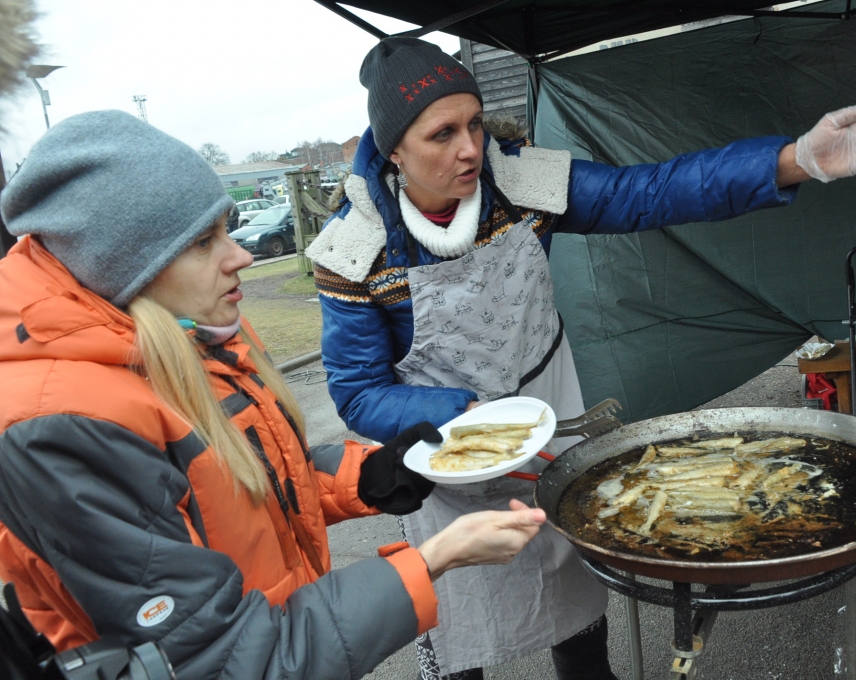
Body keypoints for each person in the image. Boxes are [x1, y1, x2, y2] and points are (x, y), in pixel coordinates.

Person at [308, 37, 856, 680]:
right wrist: (466, 414)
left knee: (570, 585)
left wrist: (791, 161)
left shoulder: (521, 183)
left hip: (549, 413)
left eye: (475, 123)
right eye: (442, 134)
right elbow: (359, 391)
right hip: (445, 447)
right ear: (394, 148)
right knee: (459, 613)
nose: (470, 148)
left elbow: (648, 192)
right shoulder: (356, 251)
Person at [0, 110, 547, 680]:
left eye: (227, 230)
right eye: (202, 243)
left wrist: (377, 473)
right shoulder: (62, 424)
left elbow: (242, 480)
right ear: (128, 267)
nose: (241, 256)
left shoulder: (190, 332)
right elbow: (229, 661)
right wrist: (434, 558)